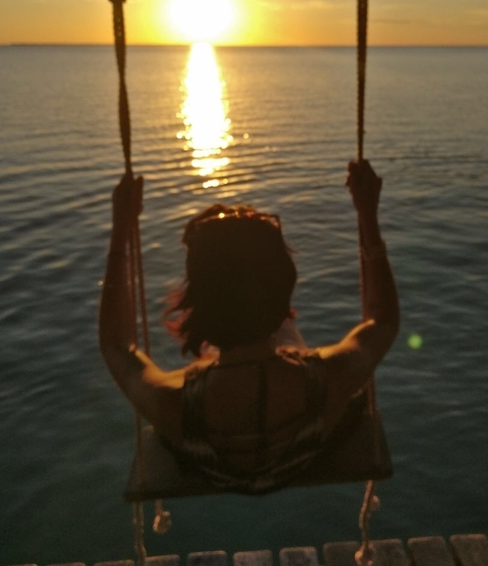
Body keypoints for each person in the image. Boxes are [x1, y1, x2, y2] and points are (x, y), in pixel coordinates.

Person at [99, 159, 398, 493]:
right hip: (300, 444)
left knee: (246, 353)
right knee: (283, 346)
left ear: (194, 304)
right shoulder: (326, 381)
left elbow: (116, 347)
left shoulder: (173, 404)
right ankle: (260, 324)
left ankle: (238, 327)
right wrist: (367, 215)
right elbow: (382, 321)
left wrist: (120, 233)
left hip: (216, 451)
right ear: (287, 288)